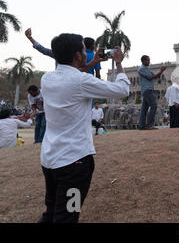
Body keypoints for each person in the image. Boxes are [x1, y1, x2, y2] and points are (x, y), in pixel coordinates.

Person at [38, 33, 130, 223]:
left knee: (52, 212)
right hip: (74, 164)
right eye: (83, 50)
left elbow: (72, 76)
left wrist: (93, 62)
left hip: (50, 160)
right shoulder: (81, 82)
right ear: (78, 56)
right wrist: (119, 64)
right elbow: (122, 90)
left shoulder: (47, 79)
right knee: (68, 216)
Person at [25, 28, 105, 72]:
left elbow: (43, 49)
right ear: (78, 56)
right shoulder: (82, 79)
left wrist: (30, 38)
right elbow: (81, 70)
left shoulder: (47, 79)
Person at [138, 55, 166, 130]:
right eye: (148, 60)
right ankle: (149, 125)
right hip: (147, 90)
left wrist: (161, 72)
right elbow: (151, 77)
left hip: (148, 90)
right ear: (143, 61)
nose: (149, 62)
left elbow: (154, 76)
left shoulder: (146, 69)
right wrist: (161, 71)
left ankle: (142, 125)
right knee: (154, 105)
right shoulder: (142, 69)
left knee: (144, 109)